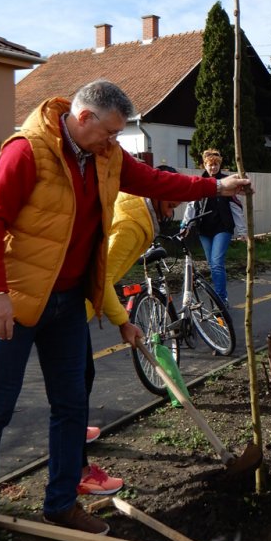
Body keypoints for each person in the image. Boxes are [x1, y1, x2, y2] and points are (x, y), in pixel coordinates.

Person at [0, 80, 251, 541]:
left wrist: (215, 185)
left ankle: (60, 504)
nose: (115, 142)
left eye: (118, 135)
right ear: (84, 117)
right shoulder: (27, 151)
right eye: (110, 132)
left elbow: (157, 182)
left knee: (72, 405)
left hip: (69, 302)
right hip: (14, 299)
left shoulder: (106, 156)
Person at [79, 173, 181, 496]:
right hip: (72, 305)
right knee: (77, 382)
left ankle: (76, 439)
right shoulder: (131, 225)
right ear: (154, 196)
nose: (173, 211)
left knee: (82, 376)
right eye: (170, 202)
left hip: (74, 301)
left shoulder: (135, 210)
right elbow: (101, 276)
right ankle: (79, 471)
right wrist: (123, 320)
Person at [182, 148, 246, 304]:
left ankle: (220, 300)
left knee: (217, 263)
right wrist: (185, 224)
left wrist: (242, 231)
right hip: (204, 229)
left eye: (216, 164)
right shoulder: (199, 183)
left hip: (222, 228)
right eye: (210, 165)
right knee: (212, 264)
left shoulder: (226, 182)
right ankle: (220, 296)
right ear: (204, 165)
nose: (213, 168)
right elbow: (191, 205)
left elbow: (236, 207)